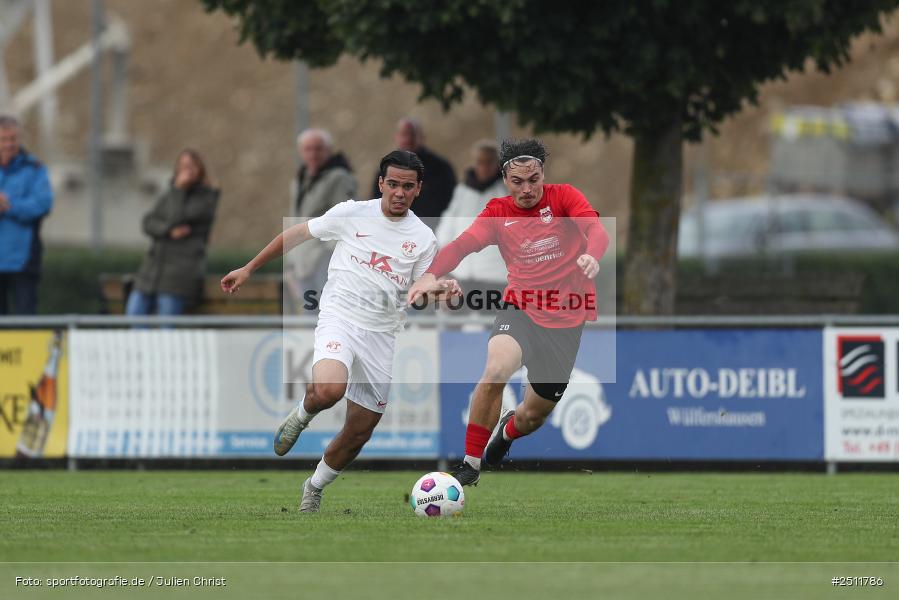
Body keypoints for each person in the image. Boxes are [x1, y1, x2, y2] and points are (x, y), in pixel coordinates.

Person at [221, 150, 458, 513]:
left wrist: (441, 289)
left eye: (407, 186)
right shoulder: (352, 213)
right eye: (393, 184)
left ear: (418, 190)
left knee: (359, 431)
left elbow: (420, 289)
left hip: (382, 334)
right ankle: (302, 415)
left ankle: (314, 486)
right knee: (330, 389)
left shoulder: (423, 238)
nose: (399, 192)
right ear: (381, 183)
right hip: (340, 318)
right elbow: (298, 233)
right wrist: (249, 268)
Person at [408, 138, 610, 486]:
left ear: (543, 174)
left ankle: (508, 430)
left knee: (532, 416)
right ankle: (470, 464)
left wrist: (592, 254)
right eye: (518, 181)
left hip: (565, 322)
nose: (527, 189)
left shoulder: (563, 197)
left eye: (533, 179)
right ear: (505, 179)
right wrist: (430, 275)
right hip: (520, 309)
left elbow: (596, 229)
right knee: (496, 369)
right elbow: (462, 245)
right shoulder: (497, 212)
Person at [126, 149, 219, 316]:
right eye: (182, 166)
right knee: (134, 313)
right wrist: (168, 231)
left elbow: (178, 218)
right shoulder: (169, 195)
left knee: (167, 323)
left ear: (200, 170)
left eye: (190, 166)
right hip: (152, 272)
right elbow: (148, 223)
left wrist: (179, 190)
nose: (186, 171)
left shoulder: (206, 198)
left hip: (178, 276)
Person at [435, 139, 508, 313]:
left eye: (489, 162)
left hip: (495, 276)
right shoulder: (462, 191)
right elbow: (446, 228)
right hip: (462, 274)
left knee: (494, 322)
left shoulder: (506, 192)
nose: (484, 167)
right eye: (480, 162)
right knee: (455, 319)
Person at [289, 128, 356, 306]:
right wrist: (292, 257)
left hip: (325, 258)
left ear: (328, 150)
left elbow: (346, 218)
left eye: (318, 149)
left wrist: (328, 254)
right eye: (308, 149)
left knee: (328, 309)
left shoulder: (339, 178)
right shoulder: (301, 178)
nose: (313, 154)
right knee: (309, 310)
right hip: (303, 258)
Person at [0, 115, 53, 315]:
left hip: (23, 261)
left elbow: (42, 204)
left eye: (13, 139)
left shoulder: (35, 169)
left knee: (26, 321)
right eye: (4, 139)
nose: (9, 144)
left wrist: (9, 206)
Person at [369, 118, 455, 231]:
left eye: (412, 134)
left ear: (422, 137)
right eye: (404, 134)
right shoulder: (385, 168)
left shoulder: (440, 168)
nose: (408, 139)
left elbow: (452, 204)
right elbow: (377, 203)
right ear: (396, 137)